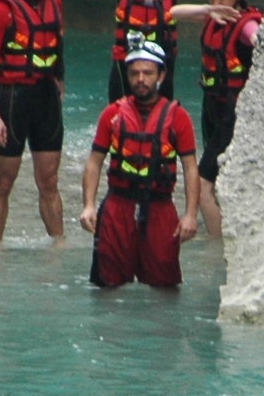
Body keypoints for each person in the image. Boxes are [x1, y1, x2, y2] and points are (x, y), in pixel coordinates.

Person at [79, 39, 201, 288]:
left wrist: (190, 215)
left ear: (161, 75)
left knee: (164, 288)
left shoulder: (179, 118)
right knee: (107, 286)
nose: (141, 79)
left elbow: (190, 168)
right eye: (135, 73)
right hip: (117, 207)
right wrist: (89, 205)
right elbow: (94, 163)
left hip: (160, 208)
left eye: (148, 73)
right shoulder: (111, 114)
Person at [0, 0, 67, 242]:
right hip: (13, 98)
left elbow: (56, 52)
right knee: (4, 181)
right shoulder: (0, 9)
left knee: (50, 180)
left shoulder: (54, 3)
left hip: (45, 99)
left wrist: (59, 83)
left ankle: (59, 245)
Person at [170, 0, 260, 238]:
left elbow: (258, 39)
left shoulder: (246, 25)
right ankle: (227, 233)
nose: (216, 2)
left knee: (203, 181)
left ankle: (216, 247)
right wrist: (209, 9)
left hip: (233, 113)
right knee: (219, 176)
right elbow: (173, 12)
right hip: (213, 107)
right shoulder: (214, 15)